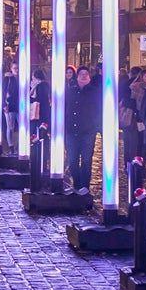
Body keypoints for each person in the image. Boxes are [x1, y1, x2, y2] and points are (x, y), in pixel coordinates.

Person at [66, 66, 101, 195]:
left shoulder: (95, 92)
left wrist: (95, 125)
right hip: (71, 130)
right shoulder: (70, 91)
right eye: (81, 74)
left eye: (86, 74)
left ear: (89, 77)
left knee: (86, 160)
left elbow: (99, 110)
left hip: (88, 131)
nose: (84, 76)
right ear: (77, 76)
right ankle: (77, 184)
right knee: (72, 159)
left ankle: (84, 187)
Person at [2, 61, 20, 147]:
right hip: (10, 105)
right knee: (10, 127)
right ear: (11, 69)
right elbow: (3, 92)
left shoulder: (20, 78)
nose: (17, 70)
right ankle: (11, 146)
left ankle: (16, 145)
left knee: (19, 126)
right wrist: (4, 105)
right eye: (15, 68)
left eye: (17, 68)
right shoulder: (8, 78)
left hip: (19, 105)